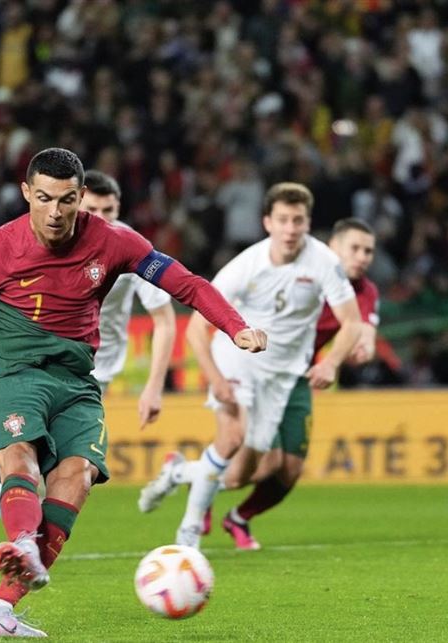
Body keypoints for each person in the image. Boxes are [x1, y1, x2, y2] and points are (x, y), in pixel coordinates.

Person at [0, 148, 266, 638]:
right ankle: (24, 541)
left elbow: (187, 285)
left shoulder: (113, 242)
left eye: (67, 200)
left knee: (78, 476)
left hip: (77, 384)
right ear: (27, 193)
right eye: (45, 198)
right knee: (18, 456)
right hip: (16, 376)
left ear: (80, 198)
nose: (56, 212)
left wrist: (235, 328)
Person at [137, 182, 363, 549]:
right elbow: (197, 330)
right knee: (231, 438)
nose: (291, 229)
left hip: (283, 376)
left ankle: (178, 471)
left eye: (298, 221)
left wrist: (333, 362)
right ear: (267, 222)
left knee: (245, 473)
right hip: (237, 361)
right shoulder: (245, 266)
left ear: (308, 223)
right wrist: (216, 379)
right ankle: (189, 534)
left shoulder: (324, 262)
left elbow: (351, 322)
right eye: (283, 220)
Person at [0, 169, 177, 547]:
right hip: (40, 357)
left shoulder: (126, 246)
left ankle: (13, 516)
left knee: (64, 467)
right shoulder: (55, 234)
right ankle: (14, 519)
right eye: (93, 207)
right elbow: (9, 283)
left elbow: (164, 319)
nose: (101, 217)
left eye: (109, 210)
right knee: (32, 451)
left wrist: (154, 387)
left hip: (95, 370)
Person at [213, 217, 380, 549]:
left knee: (290, 470)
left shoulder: (365, 292)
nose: (362, 257)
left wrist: (363, 348)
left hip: (301, 374)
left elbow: (365, 330)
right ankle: (200, 482)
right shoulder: (308, 274)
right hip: (260, 368)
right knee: (266, 463)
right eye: (355, 248)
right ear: (333, 248)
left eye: (369, 251)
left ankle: (239, 517)